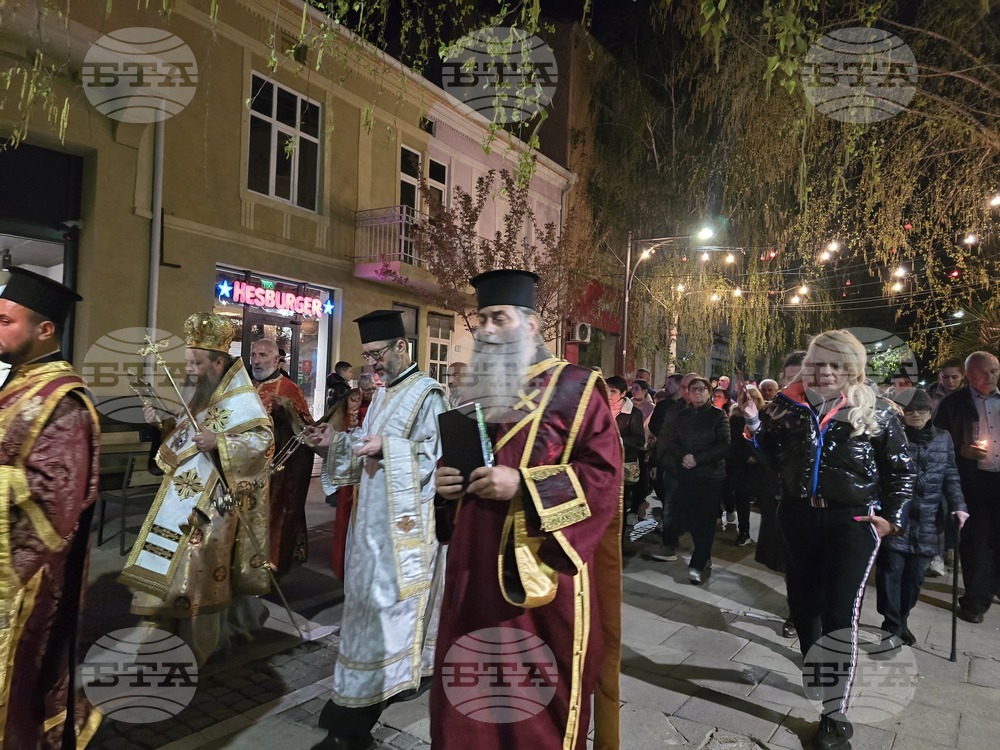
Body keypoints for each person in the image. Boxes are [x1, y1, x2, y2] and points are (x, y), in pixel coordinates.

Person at [432, 269, 622, 750]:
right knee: (467, 695)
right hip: (471, 570)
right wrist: (446, 484)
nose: (486, 329)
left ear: (531, 325)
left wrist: (522, 485)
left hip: (539, 573)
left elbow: (603, 478)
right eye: (482, 320)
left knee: (534, 705)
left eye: (499, 318)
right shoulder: (477, 390)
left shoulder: (577, 388)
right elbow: (465, 462)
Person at [739, 330, 913, 750]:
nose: (826, 372)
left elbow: (902, 471)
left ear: (852, 368)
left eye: (836, 364)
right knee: (803, 604)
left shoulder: (879, 411)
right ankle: (816, 667)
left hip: (852, 521)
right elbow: (774, 458)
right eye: (818, 363)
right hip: (797, 516)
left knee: (839, 612)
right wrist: (753, 423)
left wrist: (891, 521)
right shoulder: (787, 406)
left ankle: (834, 715)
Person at [304, 310, 445, 750]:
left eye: (377, 354)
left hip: (402, 535)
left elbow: (436, 460)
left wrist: (390, 448)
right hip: (369, 526)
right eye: (366, 357)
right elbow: (364, 447)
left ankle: (355, 720)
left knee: (386, 619)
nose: (372, 364)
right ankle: (353, 701)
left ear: (402, 347)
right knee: (363, 616)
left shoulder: (429, 394)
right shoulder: (382, 395)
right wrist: (331, 443)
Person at [120, 313, 273, 664]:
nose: (190, 369)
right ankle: (163, 624)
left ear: (218, 363)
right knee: (166, 549)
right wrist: (162, 422)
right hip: (181, 490)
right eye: (188, 362)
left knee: (198, 558)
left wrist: (220, 443)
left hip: (218, 496)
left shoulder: (241, 397)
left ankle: (199, 642)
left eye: (196, 363)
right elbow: (188, 432)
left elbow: (263, 442)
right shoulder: (203, 390)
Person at [0, 268, 102, 748]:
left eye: (5, 321)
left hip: (25, 575)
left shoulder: (64, 401)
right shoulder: (19, 383)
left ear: (44, 330)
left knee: (18, 678)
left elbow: (57, 504)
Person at [876, 389, 967, 649]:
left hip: (928, 519)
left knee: (915, 578)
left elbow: (951, 474)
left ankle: (901, 619)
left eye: (922, 409)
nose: (915, 414)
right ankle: (892, 625)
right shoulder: (891, 435)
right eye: (909, 410)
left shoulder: (943, 438)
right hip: (896, 517)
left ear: (930, 412)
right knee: (891, 572)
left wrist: (959, 506)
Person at [934, 351, 1000, 624]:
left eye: (994, 371)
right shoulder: (953, 404)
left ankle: (994, 586)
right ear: (970, 375)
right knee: (975, 541)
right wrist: (961, 450)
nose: (991, 377)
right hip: (973, 481)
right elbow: (937, 440)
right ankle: (975, 600)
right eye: (984, 372)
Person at [250, 338, 314, 575]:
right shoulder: (247, 385)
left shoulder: (288, 388)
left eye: (263, 355)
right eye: (254, 355)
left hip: (276, 468)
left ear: (276, 360)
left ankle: (271, 565)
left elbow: (306, 429)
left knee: (273, 516)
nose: (256, 361)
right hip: (246, 465)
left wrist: (287, 411)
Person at [661, 376, 730, 584]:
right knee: (691, 519)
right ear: (688, 393)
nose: (698, 392)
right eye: (694, 389)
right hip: (686, 474)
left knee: (706, 520)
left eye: (702, 389)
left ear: (709, 392)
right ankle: (704, 555)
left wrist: (697, 459)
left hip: (710, 476)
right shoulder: (682, 415)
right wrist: (684, 456)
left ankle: (697, 563)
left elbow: (724, 445)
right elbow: (672, 440)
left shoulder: (718, 415)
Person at [646, 372, 698, 562]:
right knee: (669, 507)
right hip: (672, 466)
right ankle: (669, 545)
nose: (685, 391)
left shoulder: (708, 412)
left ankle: (701, 553)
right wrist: (656, 462)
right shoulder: (673, 409)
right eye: (682, 387)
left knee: (695, 509)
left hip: (697, 469)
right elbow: (664, 437)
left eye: (689, 387)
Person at [607, 375, 647, 544]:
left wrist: (618, 440)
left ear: (623, 393)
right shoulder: (600, 408)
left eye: (613, 391)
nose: (608, 394)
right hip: (602, 465)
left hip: (622, 465)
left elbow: (639, 440)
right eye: (606, 390)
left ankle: (617, 543)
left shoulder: (633, 413)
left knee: (619, 505)